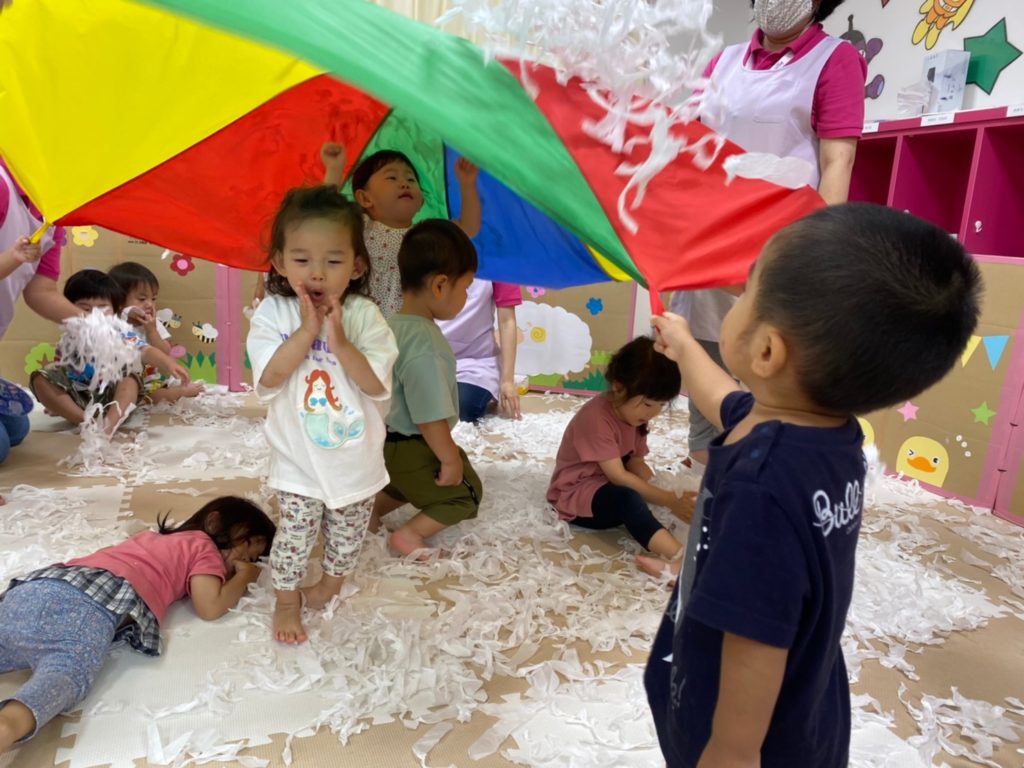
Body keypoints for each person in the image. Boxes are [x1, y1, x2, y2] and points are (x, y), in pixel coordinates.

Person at [644, 203, 981, 767]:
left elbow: (755, 645)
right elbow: (725, 400)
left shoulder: (762, 490)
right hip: (806, 700)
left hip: (741, 727)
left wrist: (731, 751)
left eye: (748, 290)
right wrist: (682, 344)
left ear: (768, 351)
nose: (736, 295)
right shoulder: (825, 434)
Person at [674, 0, 866, 466]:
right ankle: (707, 466)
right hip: (714, 232)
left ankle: (768, 466)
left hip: (781, 238)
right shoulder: (724, 61)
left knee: (772, 357)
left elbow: (837, 162)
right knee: (707, 349)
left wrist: (819, 250)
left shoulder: (834, 59)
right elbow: (693, 145)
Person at [0, 495, 276, 753]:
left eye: (252, 560)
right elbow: (210, 606)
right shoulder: (205, 548)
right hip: (88, 603)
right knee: (66, 675)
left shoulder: (149, 538)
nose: (243, 562)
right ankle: (8, 725)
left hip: (33, 588)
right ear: (214, 523)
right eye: (246, 549)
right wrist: (246, 576)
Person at [247, 186, 398, 645]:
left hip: (354, 455)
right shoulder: (273, 313)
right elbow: (270, 378)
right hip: (297, 455)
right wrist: (306, 331)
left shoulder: (366, 316)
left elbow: (375, 385)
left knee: (347, 534)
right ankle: (286, 600)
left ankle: (330, 585)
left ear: (357, 266)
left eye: (333, 261)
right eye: (302, 259)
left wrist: (339, 341)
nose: (316, 273)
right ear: (279, 262)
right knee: (295, 533)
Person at [371, 220, 483, 557]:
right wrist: (449, 460)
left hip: (384, 445)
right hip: (412, 445)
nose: (466, 297)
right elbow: (429, 416)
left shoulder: (390, 325)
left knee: (403, 480)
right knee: (467, 493)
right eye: (466, 288)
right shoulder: (425, 342)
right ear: (439, 285)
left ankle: (370, 511)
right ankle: (409, 536)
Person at [547, 337, 689, 568]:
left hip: (608, 485)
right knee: (628, 499)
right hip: (576, 495)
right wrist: (668, 500)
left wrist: (662, 492)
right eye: (648, 404)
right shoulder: (596, 419)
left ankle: (679, 546)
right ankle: (682, 561)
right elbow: (619, 476)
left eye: (661, 405)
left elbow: (636, 463)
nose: (653, 413)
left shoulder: (635, 416)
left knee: (644, 496)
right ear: (618, 387)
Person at [321, 142, 482, 318]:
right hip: (357, 323)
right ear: (365, 198)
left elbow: (468, 227)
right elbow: (323, 216)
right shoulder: (360, 227)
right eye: (392, 178)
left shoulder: (423, 236)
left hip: (404, 326)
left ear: (421, 202)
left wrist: (467, 184)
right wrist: (334, 170)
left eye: (411, 179)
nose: (405, 183)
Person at [29, 270, 191, 436]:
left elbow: (145, 350)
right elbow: (60, 372)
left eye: (102, 310)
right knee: (41, 377)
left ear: (115, 311)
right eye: (85, 309)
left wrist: (168, 363)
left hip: (113, 397)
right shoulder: (69, 338)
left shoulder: (120, 332)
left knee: (129, 375)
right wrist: (58, 401)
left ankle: (108, 425)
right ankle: (85, 422)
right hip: (80, 399)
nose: (93, 316)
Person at [0, 161, 81, 480]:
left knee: (16, 428)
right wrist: (12, 258)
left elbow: (41, 291)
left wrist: (97, 325)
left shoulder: (50, 215)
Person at [109, 261, 204, 405]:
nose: (149, 304)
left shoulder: (154, 323)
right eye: (142, 299)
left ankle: (179, 392)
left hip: (149, 379)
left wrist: (152, 331)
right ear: (119, 301)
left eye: (153, 299)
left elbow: (165, 352)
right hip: (121, 380)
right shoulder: (113, 322)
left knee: (156, 395)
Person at [437, 278, 523, 422]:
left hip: (475, 361)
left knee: (462, 408)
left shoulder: (498, 267)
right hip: (429, 355)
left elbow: (507, 320)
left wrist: (507, 380)